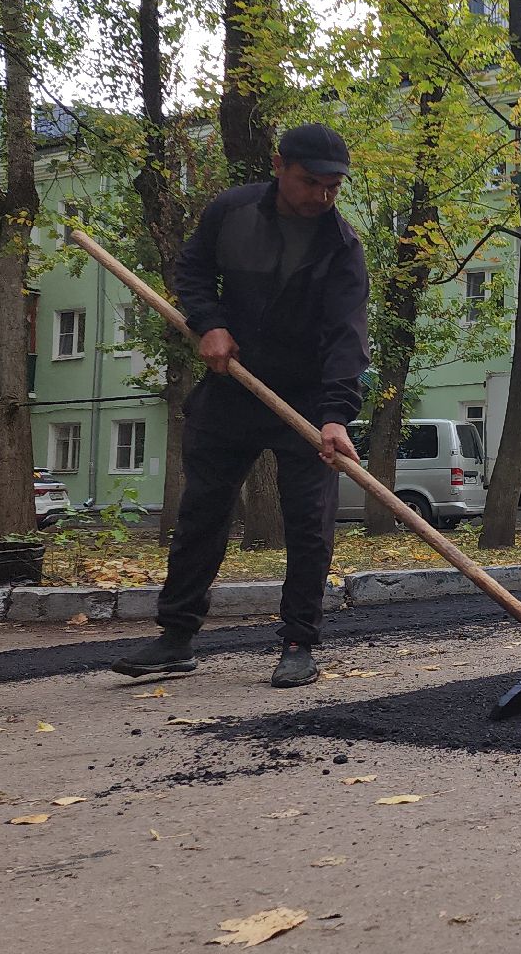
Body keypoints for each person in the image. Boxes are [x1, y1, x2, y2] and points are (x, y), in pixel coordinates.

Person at [112, 124, 369, 688]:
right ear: (279, 167)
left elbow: (346, 340)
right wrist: (211, 324)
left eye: (333, 187)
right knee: (202, 511)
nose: (321, 197)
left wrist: (334, 416)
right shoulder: (231, 212)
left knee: (309, 523)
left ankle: (299, 641)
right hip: (234, 385)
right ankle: (176, 638)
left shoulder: (342, 249)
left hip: (303, 397)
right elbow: (194, 271)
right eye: (310, 183)